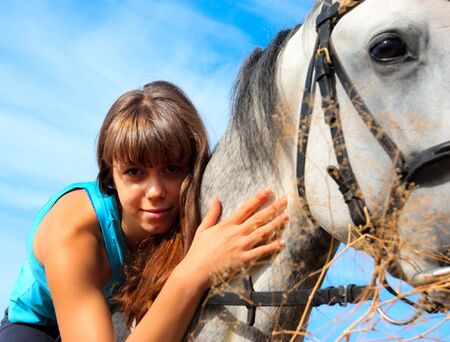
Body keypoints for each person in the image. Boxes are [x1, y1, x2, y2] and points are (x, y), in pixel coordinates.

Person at [0, 81, 288, 341]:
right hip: (40, 329)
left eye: (172, 169)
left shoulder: (190, 208)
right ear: (109, 173)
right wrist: (196, 269)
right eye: (135, 172)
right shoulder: (73, 231)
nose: (155, 191)